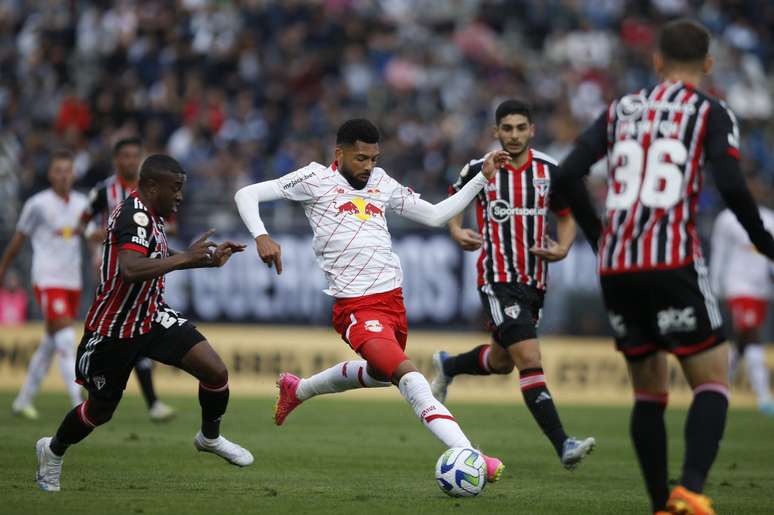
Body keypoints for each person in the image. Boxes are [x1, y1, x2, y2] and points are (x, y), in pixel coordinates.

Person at [553, 19, 774, 515]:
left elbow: (566, 175)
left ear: (656, 61)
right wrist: (767, 244)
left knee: (648, 391)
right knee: (713, 380)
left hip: (617, 267)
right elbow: (735, 187)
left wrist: (600, 237)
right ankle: (690, 490)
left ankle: (659, 504)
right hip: (671, 259)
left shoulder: (620, 109)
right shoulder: (710, 111)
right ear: (709, 65)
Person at [235, 119, 510, 484]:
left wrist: (482, 178)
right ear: (340, 153)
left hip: (393, 304)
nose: (368, 167)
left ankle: (297, 389)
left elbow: (435, 215)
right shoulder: (314, 180)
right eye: (361, 158)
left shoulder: (382, 183)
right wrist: (262, 236)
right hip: (356, 307)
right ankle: (472, 456)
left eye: (373, 159)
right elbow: (246, 195)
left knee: (382, 375)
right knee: (410, 378)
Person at [35, 154, 252, 492]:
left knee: (215, 372)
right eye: (175, 188)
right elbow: (131, 269)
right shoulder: (134, 216)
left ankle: (210, 438)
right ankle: (53, 450)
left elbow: (154, 261)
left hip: (149, 317)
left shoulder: (151, 215)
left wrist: (204, 262)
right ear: (152, 186)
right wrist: (184, 257)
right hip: (113, 329)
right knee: (99, 411)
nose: (180, 196)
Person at [429, 99, 595, 470]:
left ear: (532, 130)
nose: (514, 135)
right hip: (496, 278)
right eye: (508, 129)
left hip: (534, 281)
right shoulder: (479, 169)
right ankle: (563, 443)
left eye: (521, 128)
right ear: (496, 132)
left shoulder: (551, 170)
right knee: (529, 359)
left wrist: (564, 247)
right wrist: (457, 230)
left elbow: (567, 216)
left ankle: (449, 365)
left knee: (503, 362)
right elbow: (455, 202)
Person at [78, 137, 176, 422]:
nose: (131, 161)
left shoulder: (155, 191)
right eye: (126, 156)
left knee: (136, 326)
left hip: (146, 265)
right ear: (116, 160)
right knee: (123, 325)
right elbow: (82, 222)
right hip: (113, 269)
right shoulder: (103, 191)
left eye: (136, 156)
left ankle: (147, 401)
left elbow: (168, 224)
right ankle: (134, 398)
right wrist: (92, 238)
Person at [0, 150, 87, 419]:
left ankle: (23, 400)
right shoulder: (37, 204)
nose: (63, 175)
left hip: (73, 280)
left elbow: (90, 234)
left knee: (51, 342)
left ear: (73, 174)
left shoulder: (82, 204)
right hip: (47, 279)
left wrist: (98, 252)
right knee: (65, 337)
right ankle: (77, 400)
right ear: (50, 174)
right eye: (58, 170)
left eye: (67, 170)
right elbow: (19, 240)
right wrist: (2, 268)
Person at [710, 174, 774, 416]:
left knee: (743, 340)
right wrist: (716, 286)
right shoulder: (727, 220)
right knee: (752, 335)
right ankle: (764, 396)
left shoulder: (769, 219)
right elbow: (719, 253)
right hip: (737, 286)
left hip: (761, 289)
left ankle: (719, 384)